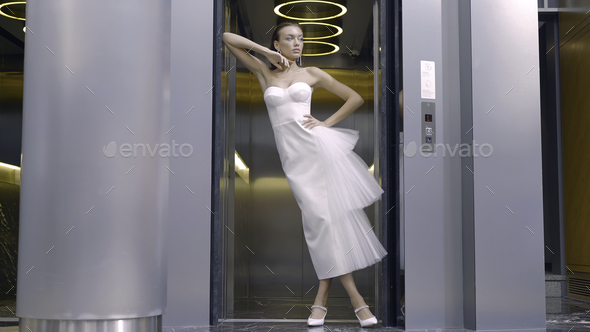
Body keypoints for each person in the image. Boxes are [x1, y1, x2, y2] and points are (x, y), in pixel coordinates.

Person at [222, 21, 387, 328]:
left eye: (300, 39)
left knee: (322, 222)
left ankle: (352, 301)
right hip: (292, 159)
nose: (297, 43)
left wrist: (326, 123)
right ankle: (324, 300)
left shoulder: (312, 74)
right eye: (289, 38)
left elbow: (356, 98)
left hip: (316, 150)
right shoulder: (264, 71)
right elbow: (227, 38)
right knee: (320, 223)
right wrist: (263, 53)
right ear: (277, 43)